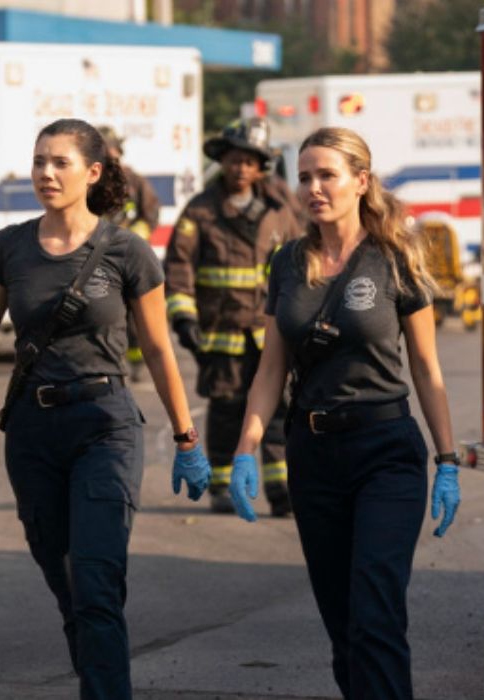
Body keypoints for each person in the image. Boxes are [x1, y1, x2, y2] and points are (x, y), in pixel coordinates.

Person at [0, 118, 211, 700]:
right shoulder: (8, 246)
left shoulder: (125, 250)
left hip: (104, 426)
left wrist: (187, 439)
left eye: (60, 162)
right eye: (39, 161)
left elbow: (159, 349)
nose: (45, 173)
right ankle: (97, 676)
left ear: (92, 172)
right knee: (64, 583)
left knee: (95, 579)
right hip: (33, 433)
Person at [228, 127, 462, 699]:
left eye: (326, 175)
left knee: (375, 615)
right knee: (342, 626)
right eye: (304, 176)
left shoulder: (395, 258)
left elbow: (427, 370)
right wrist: (246, 448)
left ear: (361, 181)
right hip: (314, 456)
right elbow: (269, 371)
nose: (313, 188)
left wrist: (448, 459)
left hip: (385, 451)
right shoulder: (286, 264)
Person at [164, 118, 302, 515]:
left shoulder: (280, 211)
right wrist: (183, 318)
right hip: (220, 333)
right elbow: (179, 268)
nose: (241, 168)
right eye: (234, 160)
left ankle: (282, 491)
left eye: (249, 161)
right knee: (225, 412)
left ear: (262, 168)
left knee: (278, 412)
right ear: (222, 162)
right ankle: (221, 487)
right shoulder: (201, 211)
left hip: (269, 333)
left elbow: (299, 264)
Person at [97, 125, 161, 383]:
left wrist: (134, 236)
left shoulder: (134, 181)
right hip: (98, 256)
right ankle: (113, 362)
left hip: (128, 256)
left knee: (135, 316)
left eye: (110, 149)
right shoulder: (91, 181)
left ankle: (136, 363)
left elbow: (151, 213)